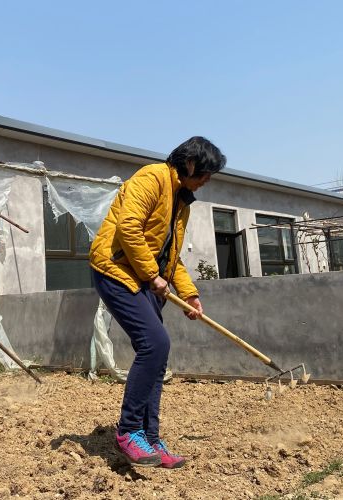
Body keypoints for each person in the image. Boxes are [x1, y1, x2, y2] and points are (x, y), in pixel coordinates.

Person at [89, 136, 226, 468]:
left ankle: (150, 438)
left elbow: (172, 258)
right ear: (190, 163)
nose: (208, 180)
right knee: (155, 342)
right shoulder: (152, 177)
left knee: (157, 353)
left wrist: (189, 294)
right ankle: (128, 431)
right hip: (116, 270)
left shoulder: (182, 203)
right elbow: (128, 228)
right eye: (206, 172)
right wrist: (152, 276)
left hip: (144, 276)